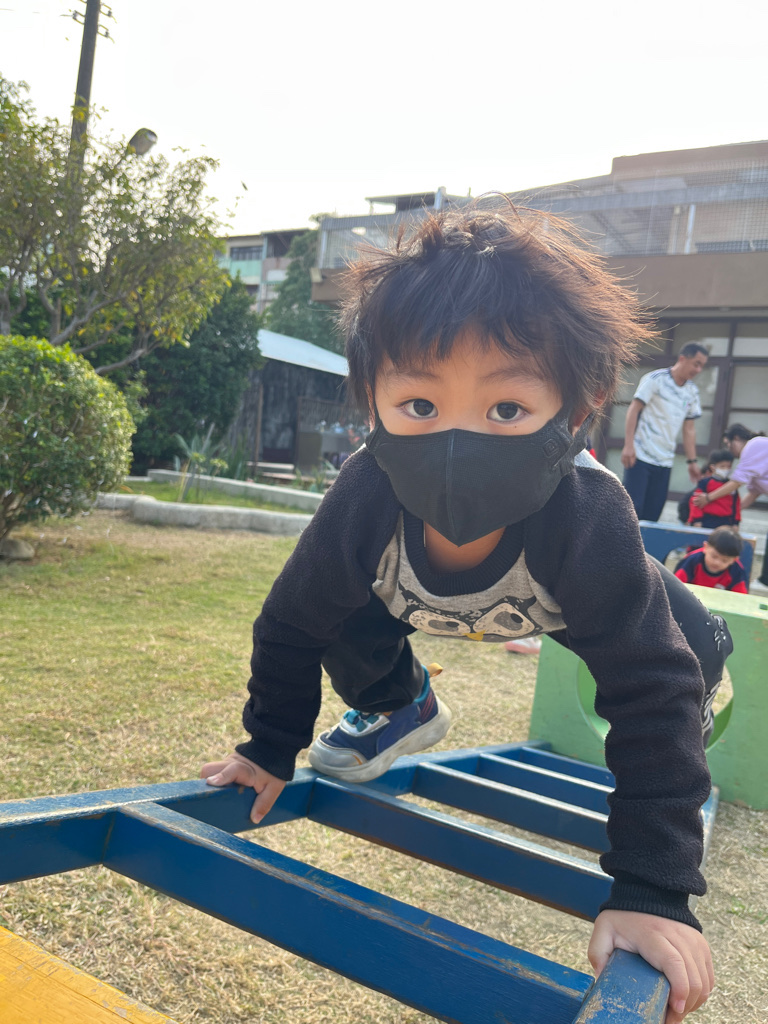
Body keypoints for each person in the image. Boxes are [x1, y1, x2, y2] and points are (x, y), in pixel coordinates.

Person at [202, 206, 727, 1023]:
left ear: (576, 410)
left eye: (506, 410)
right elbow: (291, 624)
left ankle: (703, 663)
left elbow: (649, 688)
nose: (456, 442)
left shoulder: (587, 515)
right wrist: (268, 747)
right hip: (409, 603)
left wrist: (654, 890)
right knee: (333, 608)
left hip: (563, 603)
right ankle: (400, 703)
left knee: (684, 657)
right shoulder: (366, 493)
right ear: (371, 400)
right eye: (418, 403)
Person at [621, 344, 708, 522]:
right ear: (682, 358)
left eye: (702, 366)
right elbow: (634, 410)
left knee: (653, 514)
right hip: (640, 456)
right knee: (631, 512)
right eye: (696, 364)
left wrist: (692, 461)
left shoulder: (692, 391)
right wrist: (628, 445)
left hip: (665, 461)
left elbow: (689, 429)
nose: (698, 370)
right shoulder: (655, 379)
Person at [694, 424, 768, 595]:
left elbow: (736, 482)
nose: (730, 451)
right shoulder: (755, 455)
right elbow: (753, 494)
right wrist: (730, 512)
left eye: (728, 444)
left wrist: (709, 498)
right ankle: (765, 581)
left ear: (736, 439)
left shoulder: (754, 445)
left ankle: (765, 581)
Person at [675, 527, 748, 594]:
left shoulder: (737, 571)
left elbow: (740, 596)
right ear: (706, 547)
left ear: (734, 560)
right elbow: (676, 586)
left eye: (724, 561)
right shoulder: (692, 561)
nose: (717, 563)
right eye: (714, 556)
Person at [685, 449, 741, 528]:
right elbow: (696, 502)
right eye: (722, 466)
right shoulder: (704, 483)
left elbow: (736, 505)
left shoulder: (732, 485)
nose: (726, 469)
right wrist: (697, 520)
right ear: (713, 467)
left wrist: (736, 523)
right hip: (706, 520)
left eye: (728, 467)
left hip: (725, 522)